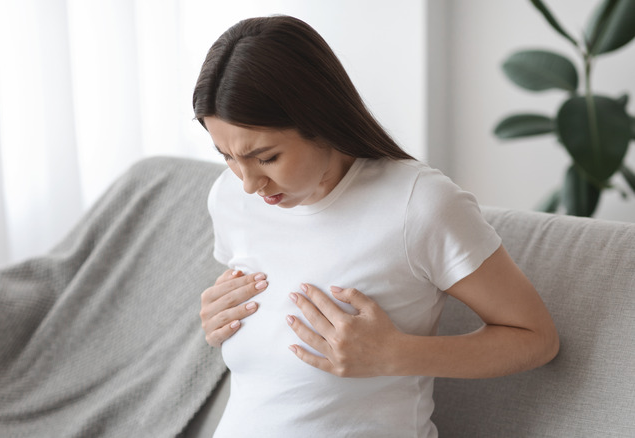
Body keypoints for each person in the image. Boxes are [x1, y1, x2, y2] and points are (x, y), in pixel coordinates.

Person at [193, 15, 559, 438]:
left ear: (320, 121)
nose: (250, 183)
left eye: (266, 157)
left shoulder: (418, 204)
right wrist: (213, 319)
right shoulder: (230, 197)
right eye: (226, 156)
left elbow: (536, 338)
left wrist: (396, 355)